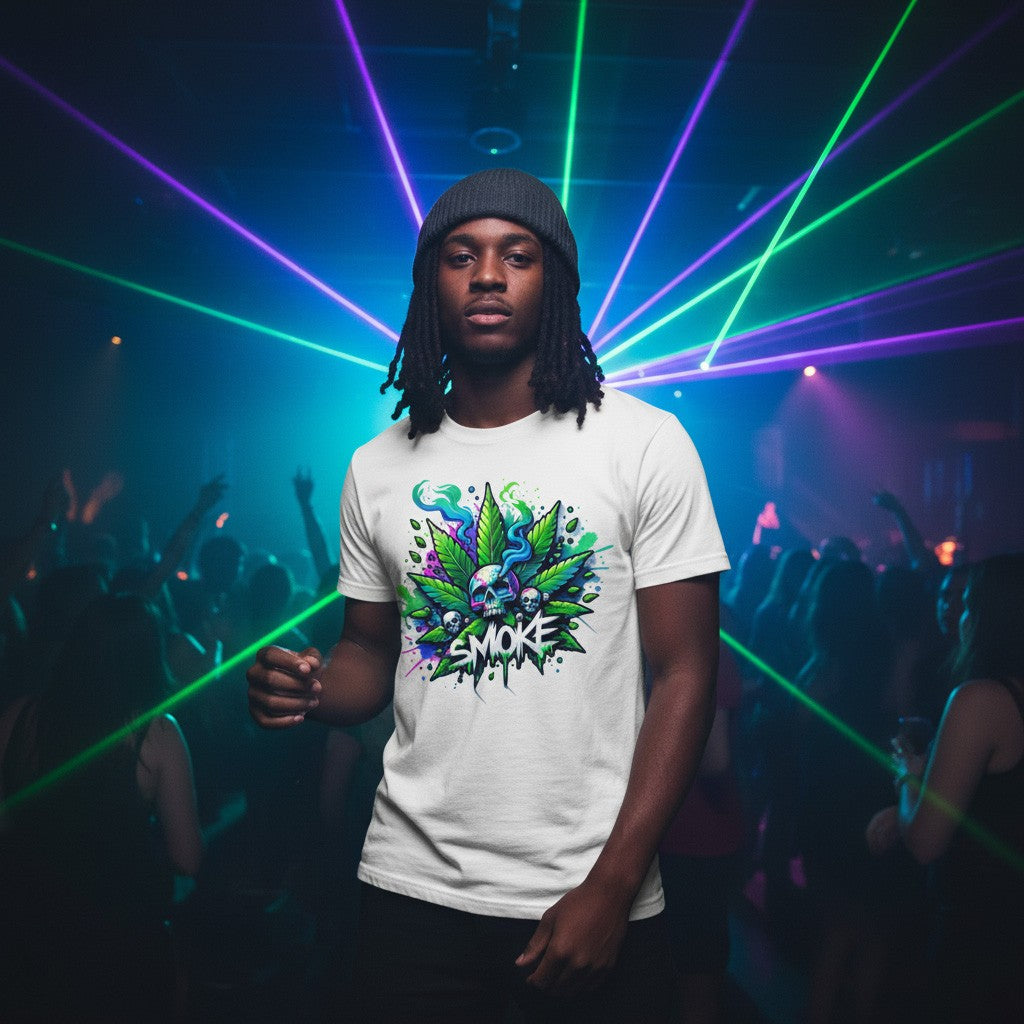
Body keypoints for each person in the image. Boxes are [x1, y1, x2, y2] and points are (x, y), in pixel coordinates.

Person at [247, 167, 729, 1022]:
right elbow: (369, 651)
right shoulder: (377, 466)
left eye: (520, 255)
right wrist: (317, 688)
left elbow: (687, 674)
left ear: (557, 285)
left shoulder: (645, 444)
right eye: (462, 256)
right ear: (432, 283)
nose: (489, 275)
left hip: (589, 893)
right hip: (409, 890)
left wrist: (613, 886)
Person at [0, 593, 203, 1022]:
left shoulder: (17, 716)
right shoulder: (156, 733)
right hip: (118, 935)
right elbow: (187, 858)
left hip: (29, 928)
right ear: (145, 655)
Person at [867, 552, 1024, 1023]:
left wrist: (909, 778)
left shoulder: (981, 699)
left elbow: (926, 843)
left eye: (971, 603)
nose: (961, 616)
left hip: (980, 930)